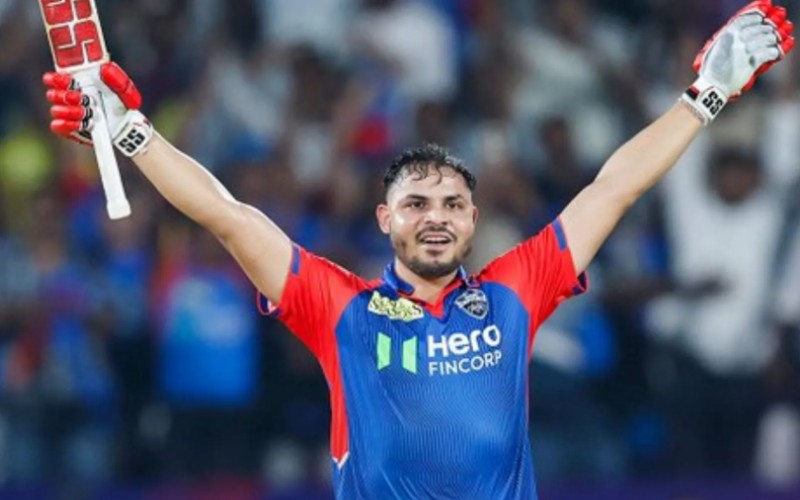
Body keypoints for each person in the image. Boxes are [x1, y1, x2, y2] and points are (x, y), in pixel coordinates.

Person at [40, 1, 794, 498]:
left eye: (452, 204)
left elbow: (611, 189)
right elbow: (228, 216)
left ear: (473, 220)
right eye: (416, 204)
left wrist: (703, 98)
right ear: (384, 219)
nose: (436, 218)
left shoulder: (514, 290)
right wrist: (132, 134)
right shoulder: (341, 309)